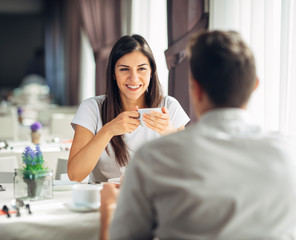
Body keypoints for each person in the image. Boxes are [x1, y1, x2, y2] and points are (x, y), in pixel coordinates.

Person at [100, 30, 296, 240]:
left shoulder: (153, 157)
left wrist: (107, 213)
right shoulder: (289, 154)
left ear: (195, 88)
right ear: (254, 85)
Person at [68, 34, 190, 183]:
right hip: (105, 198)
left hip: (153, 197)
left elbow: (188, 169)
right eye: (124, 69)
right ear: (113, 74)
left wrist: (170, 133)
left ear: (151, 72)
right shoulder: (92, 108)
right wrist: (108, 130)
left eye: (141, 69)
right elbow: (75, 175)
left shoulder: (169, 106)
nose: (134, 78)